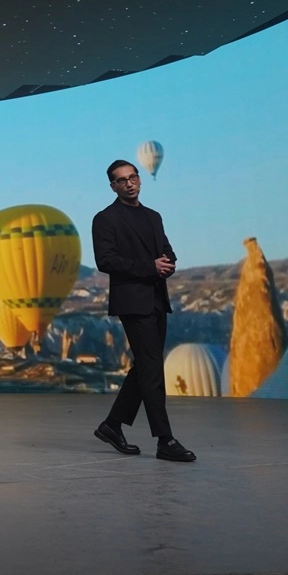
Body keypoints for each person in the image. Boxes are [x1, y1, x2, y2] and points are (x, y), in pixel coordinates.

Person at [90, 159, 197, 462]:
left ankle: (112, 426)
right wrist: (149, 267)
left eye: (133, 177)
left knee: (145, 367)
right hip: (132, 302)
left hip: (157, 298)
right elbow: (105, 261)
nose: (130, 183)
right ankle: (165, 440)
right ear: (113, 186)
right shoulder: (105, 219)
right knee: (152, 371)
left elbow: (166, 250)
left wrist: (167, 264)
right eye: (122, 180)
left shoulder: (153, 217)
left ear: (139, 179)